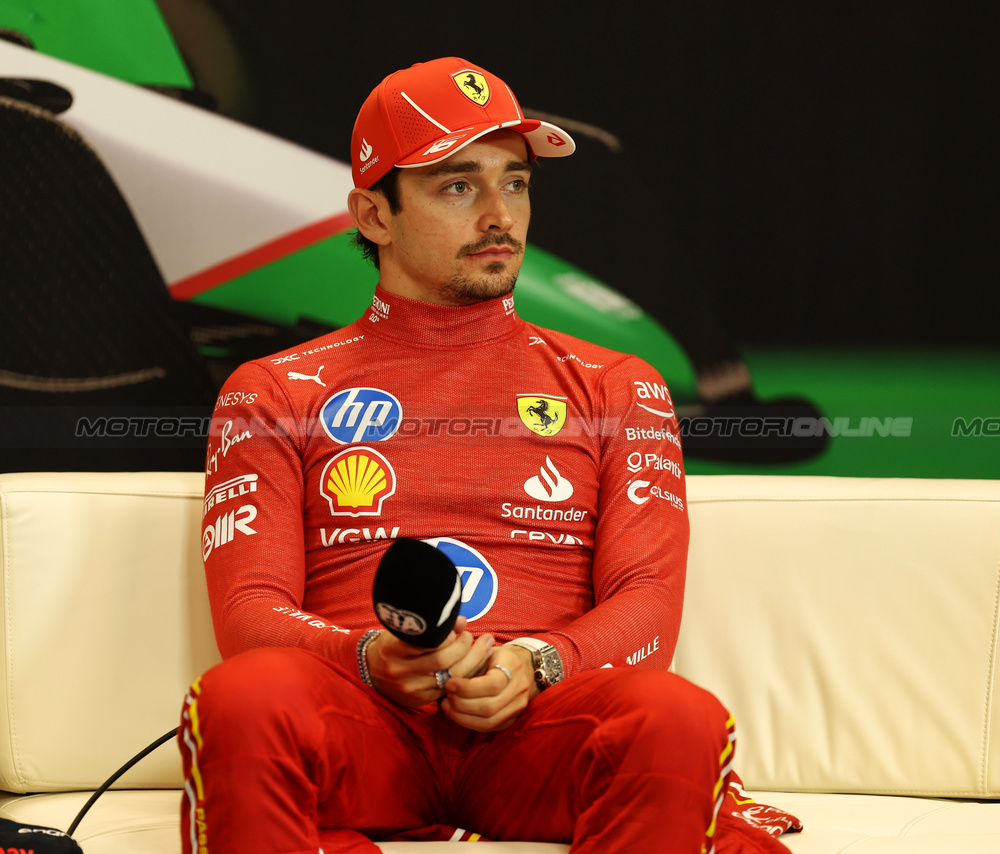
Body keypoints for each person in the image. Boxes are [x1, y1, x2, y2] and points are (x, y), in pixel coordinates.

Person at [180, 57, 799, 853]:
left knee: (676, 714)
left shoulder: (619, 386)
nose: (500, 214)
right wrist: (366, 656)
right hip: (360, 721)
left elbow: (648, 601)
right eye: (458, 186)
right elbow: (249, 616)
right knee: (241, 697)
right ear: (373, 215)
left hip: (540, 729)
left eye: (516, 182)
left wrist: (539, 662)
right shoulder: (270, 389)